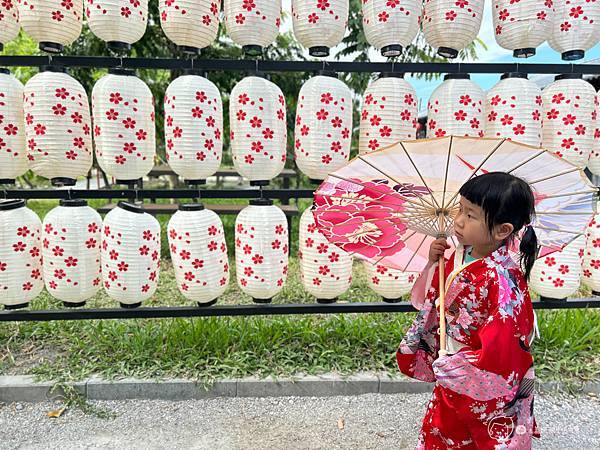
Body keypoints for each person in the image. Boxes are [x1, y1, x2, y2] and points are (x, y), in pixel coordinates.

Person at [397, 172, 541, 449]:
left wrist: (462, 368)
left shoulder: (503, 277)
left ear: (503, 230)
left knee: (475, 436)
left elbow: (506, 342)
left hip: (475, 371)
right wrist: (433, 264)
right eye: (459, 209)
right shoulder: (461, 254)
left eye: (471, 215)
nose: (459, 221)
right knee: (443, 429)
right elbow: (430, 300)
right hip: (452, 361)